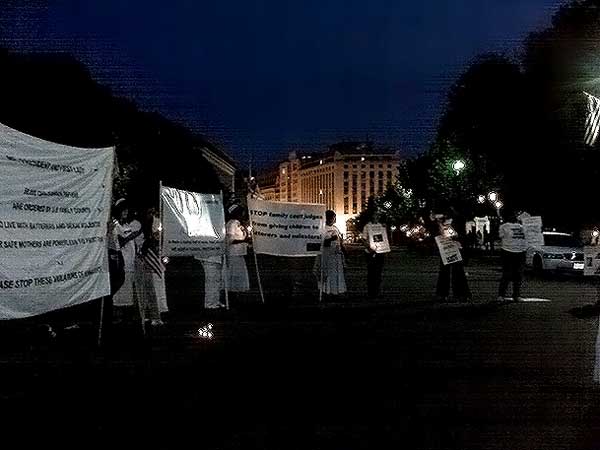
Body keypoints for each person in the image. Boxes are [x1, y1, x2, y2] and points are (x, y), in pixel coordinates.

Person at [136, 207, 169, 327]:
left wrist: (164, 260)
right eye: (150, 212)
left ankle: (161, 309)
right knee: (150, 291)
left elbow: (164, 251)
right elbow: (142, 252)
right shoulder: (145, 240)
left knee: (159, 289)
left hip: (159, 266)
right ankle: (150, 314)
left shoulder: (160, 239)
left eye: (154, 212)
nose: (153, 215)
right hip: (148, 268)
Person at [112, 199, 144, 313]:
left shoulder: (126, 224)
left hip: (130, 260)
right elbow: (119, 241)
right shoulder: (114, 224)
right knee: (120, 289)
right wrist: (131, 236)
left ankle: (126, 311)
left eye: (127, 209)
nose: (126, 212)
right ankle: (117, 312)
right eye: (123, 209)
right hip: (120, 261)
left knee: (128, 290)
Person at [433, 213, 471, 302]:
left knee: (456, 271)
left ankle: (458, 294)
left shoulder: (457, 219)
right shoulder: (440, 221)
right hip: (446, 248)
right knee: (447, 271)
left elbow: (458, 235)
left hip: (454, 247)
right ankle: (448, 294)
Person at [497, 210, 527, 302]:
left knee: (518, 275)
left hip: (521, 252)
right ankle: (501, 295)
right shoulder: (503, 226)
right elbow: (500, 236)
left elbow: (529, 236)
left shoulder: (523, 226)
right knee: (507, 274)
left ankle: (516, 295)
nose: (514, 217)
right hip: (508, 251)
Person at [317, 210, 347, 299]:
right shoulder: (323, 228)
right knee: (328, 275)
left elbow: (340, 241)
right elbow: (322, 243)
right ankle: (327, 291)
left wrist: (344, 251)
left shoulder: (335, 228)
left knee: (338, 274)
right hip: (328, 256)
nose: (334, 219)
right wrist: (331, 239)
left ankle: (337, 291)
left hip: (337, 255)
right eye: (333, 217)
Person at [361, 210, 390, 299]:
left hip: (380, 253)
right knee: (371, 273)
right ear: (372, 217)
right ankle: (371, 292)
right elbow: (363, 239)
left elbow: (384, 239)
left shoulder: (381, 226)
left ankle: (378, 291)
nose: (376, 218)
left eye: (378, 216)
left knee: (379, 273)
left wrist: (385, 250)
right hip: (370, 253)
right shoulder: (367, 226)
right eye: (375, 216)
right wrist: (369, 248)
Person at [225, 204, 250, 294]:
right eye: (240, 212)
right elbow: (229, 240)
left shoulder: (239, 223)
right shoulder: (232, 223)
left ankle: (238, 291)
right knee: (234, 273)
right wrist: (243, 240)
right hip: (233, 253)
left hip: (240, 253)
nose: (242, 214)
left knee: (240, 273)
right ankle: (232, 291)